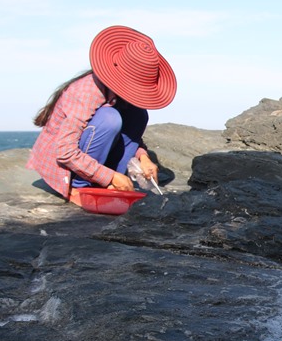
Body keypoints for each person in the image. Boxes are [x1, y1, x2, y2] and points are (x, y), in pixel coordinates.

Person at [26, 25, 176, 208]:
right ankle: (79, 185)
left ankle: (102, 180)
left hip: (93, 155)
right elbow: (65, 152)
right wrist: (111, 177)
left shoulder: (119, 96)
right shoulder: (87, 92)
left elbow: (129, 135)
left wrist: (144, 158)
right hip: (66, 167)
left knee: (138, 114)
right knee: (110, 118)